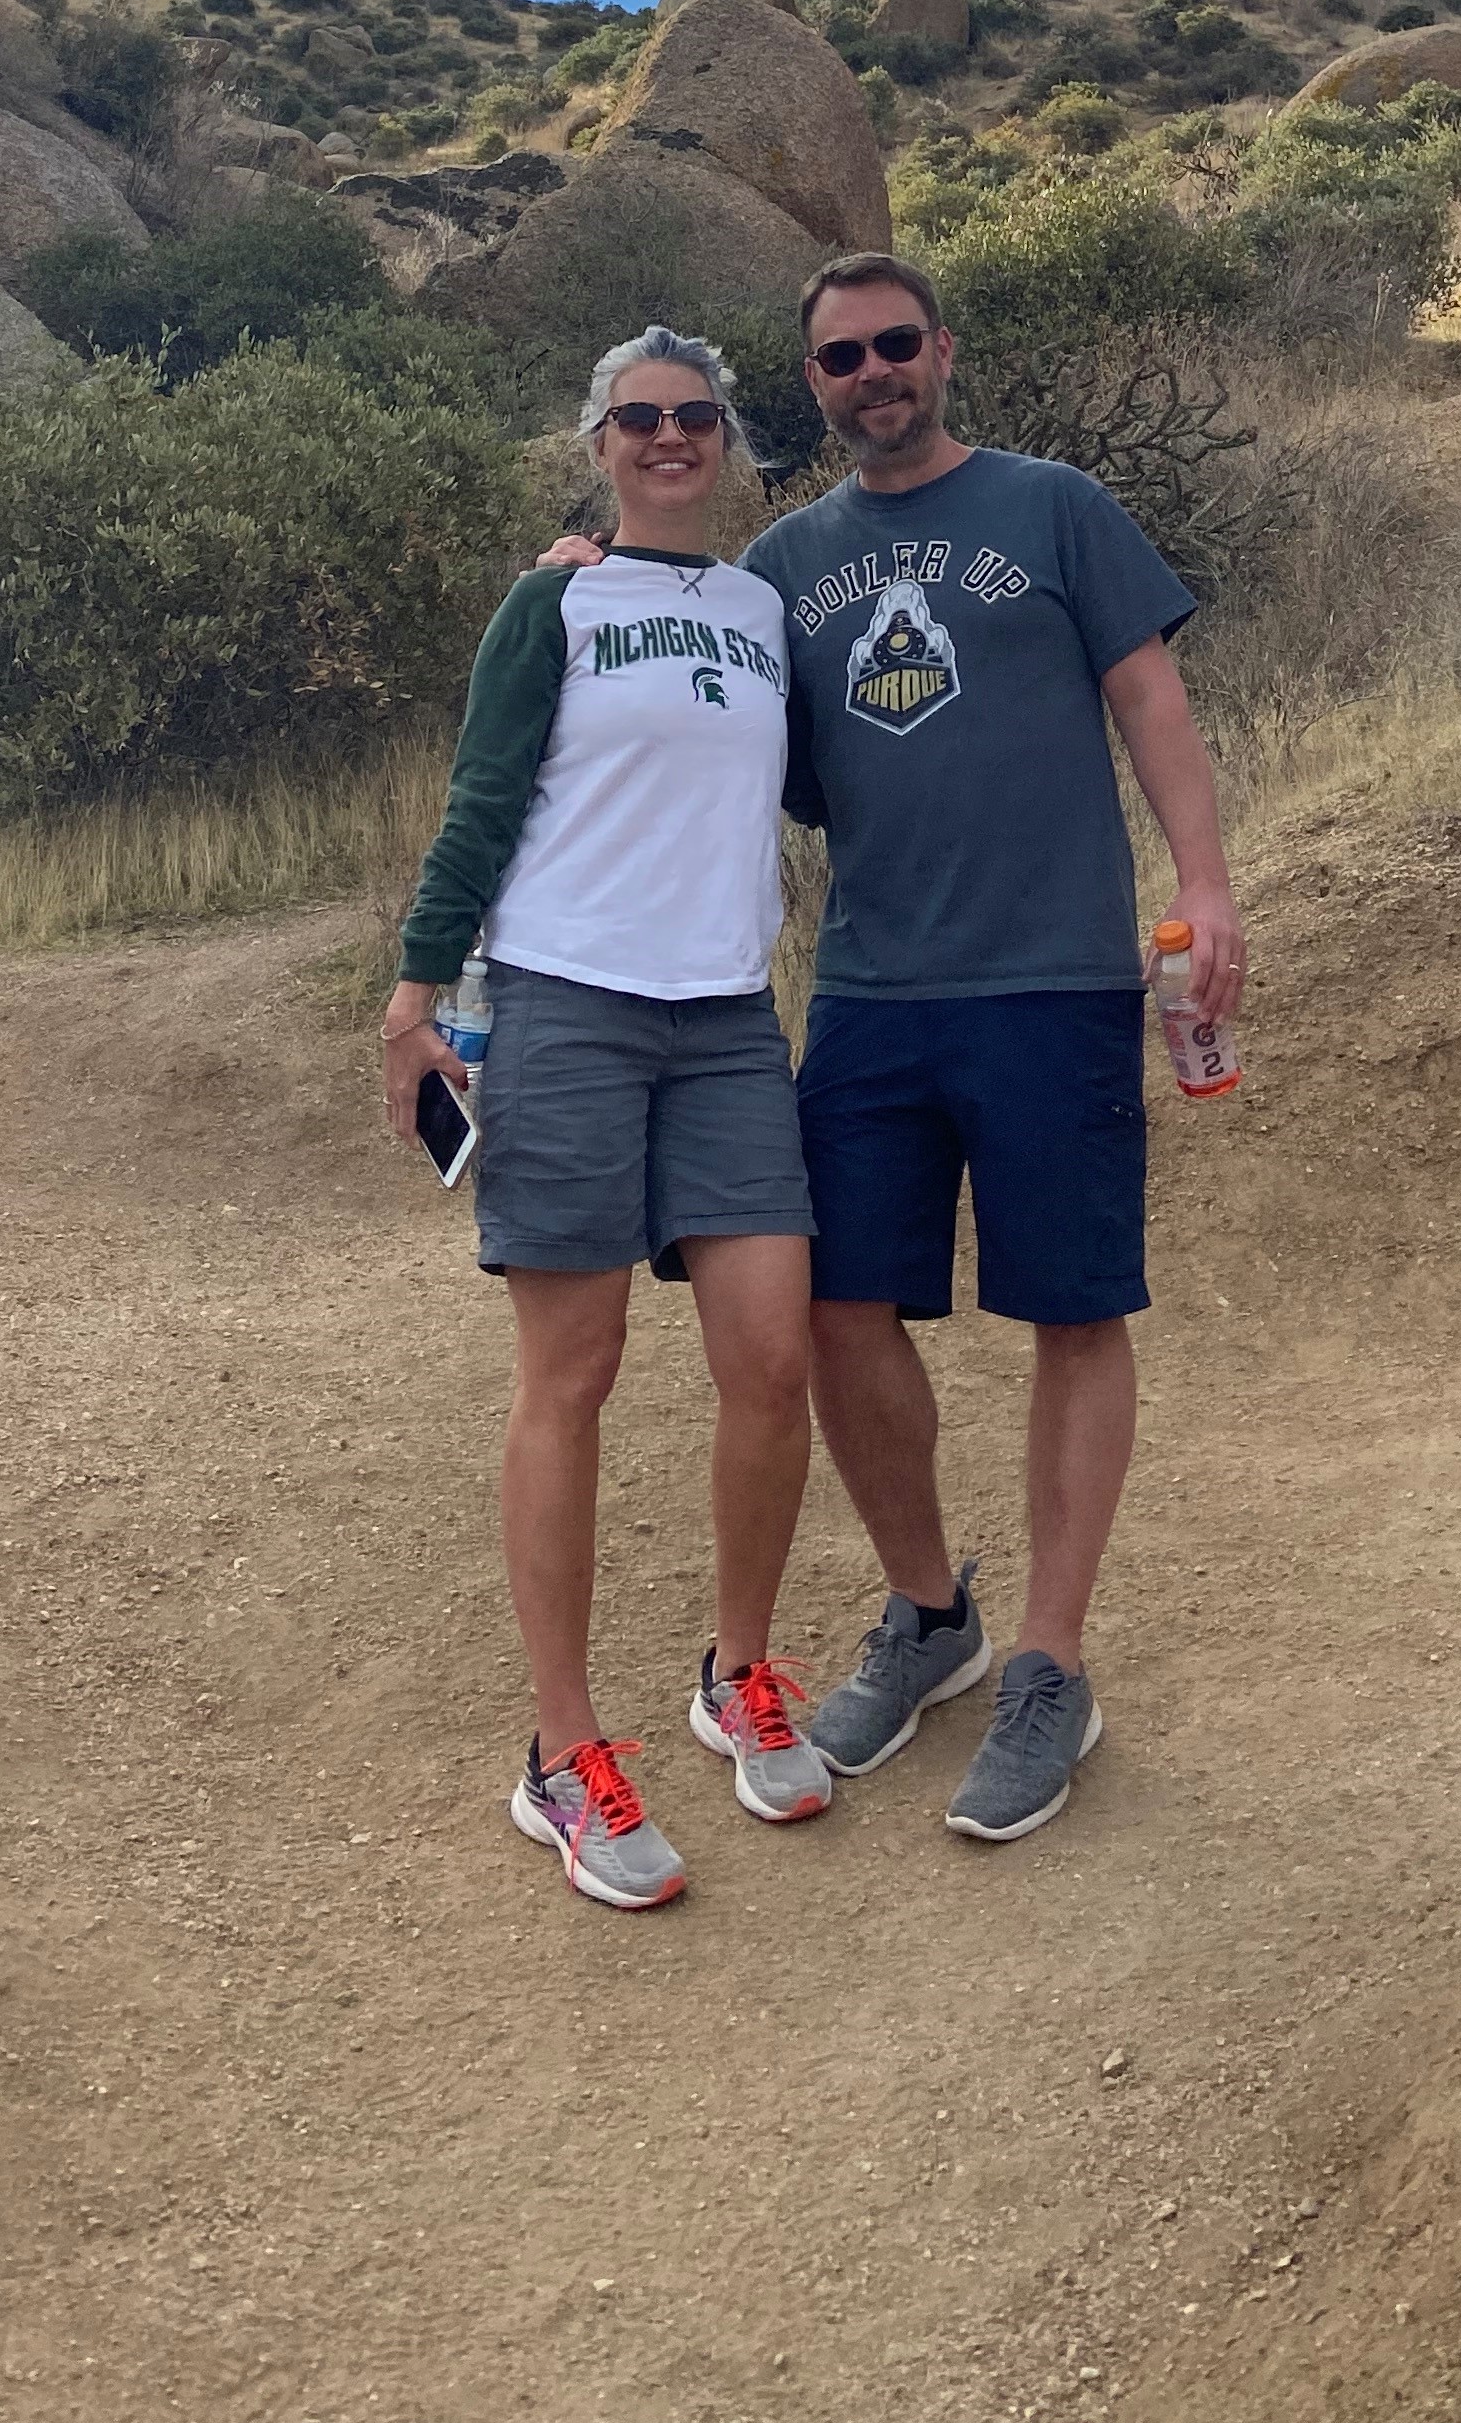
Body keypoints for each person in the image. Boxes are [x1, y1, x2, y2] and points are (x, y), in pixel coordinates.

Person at [694, 249, 1244, 1842]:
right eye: (839, 358)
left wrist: (1204, 888)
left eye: (894, 345)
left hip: (1058, 981)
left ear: (943, 350)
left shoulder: (1054, 506)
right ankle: (931, 1613)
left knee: (1073, 1311)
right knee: (840, 1308)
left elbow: (1150, 699)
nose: (872, 375)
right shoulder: (784, 564)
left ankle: (1051, 1669)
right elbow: (720, 742)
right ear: (810, 384)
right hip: (870, 991)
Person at [384, 326, 828, 1911]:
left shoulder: (768, 610)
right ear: (596, 441)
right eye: (636, 419)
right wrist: (418, 992)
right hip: (568, 1002)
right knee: (571, 1374)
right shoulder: (551, 603)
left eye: (693, 418)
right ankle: (564, 1753)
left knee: (774, 1356)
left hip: (722, 1017)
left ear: (728, 441)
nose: (667, 440)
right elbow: (484, 798)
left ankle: (741, 1673)